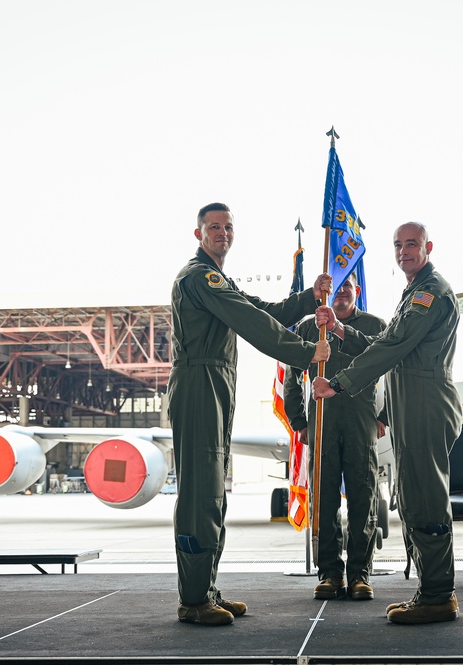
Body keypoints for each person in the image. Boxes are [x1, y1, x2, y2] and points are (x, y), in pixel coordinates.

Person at [168, 202, 331, 626]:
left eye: (228, 227)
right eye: (214, 227)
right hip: (200, 386)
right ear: (199, 233)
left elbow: (265, 312)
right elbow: (251, 323)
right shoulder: (198, 277)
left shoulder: (219, 279)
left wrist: (308, 298)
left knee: (213, 492)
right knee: (199, 493)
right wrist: (305, 352)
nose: (222, 233)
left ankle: (205, 588)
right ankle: (192, 599)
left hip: (216, 387)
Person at [312, 222, 462, 625]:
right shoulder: (414, 292)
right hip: (411, 407)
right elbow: (387, 345)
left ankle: (438, 595)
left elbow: (393, 347)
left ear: (428, 247)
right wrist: (342, 330)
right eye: (398, 245)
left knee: (426, 499)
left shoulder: (429, 292)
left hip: (426, 406)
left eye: (411, 244)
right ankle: (431, 591)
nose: (403, 251)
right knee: (413, 497)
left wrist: (340, 383)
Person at [284, 272, 386, 601]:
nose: (341, 291)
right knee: (324, 502)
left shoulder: (374, 326)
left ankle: (359, 574)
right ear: (326, 290)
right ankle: (329, 573)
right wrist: (299, 421)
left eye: (347, 285)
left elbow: (391, 369)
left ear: (356, 290)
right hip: (321, 425)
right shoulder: (309, 327)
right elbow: (292, 374)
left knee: (363, 501)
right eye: (335, 286)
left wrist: (384, 416)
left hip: (360, 424)